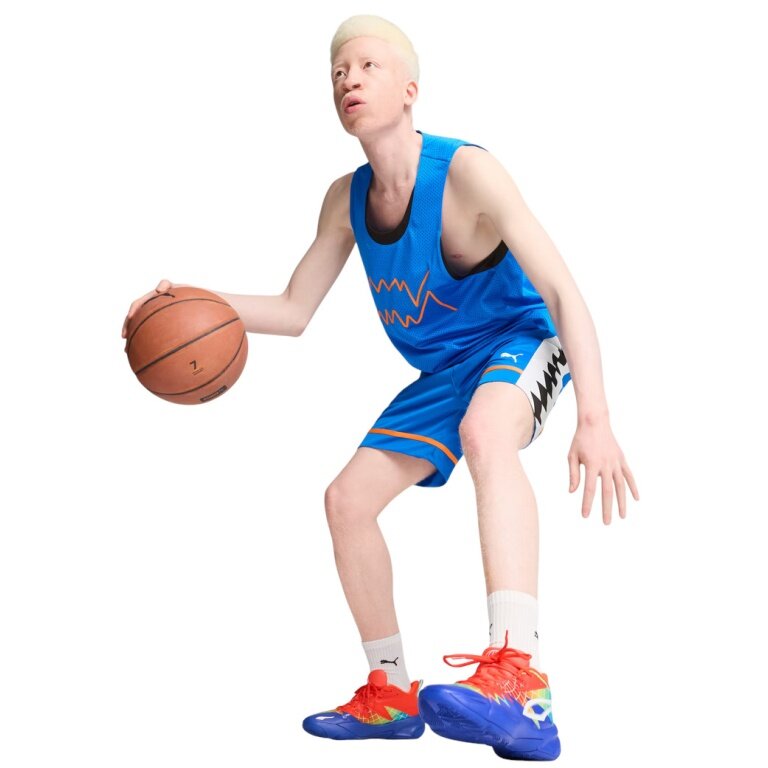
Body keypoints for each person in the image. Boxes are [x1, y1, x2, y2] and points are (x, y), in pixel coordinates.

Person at [121, 13, 640, 761]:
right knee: (346, 501)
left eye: (367, 66)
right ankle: (391, 691)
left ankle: (521, 683)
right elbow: (294, 311)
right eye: (338, 73)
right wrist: (184, 302)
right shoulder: (346, 199)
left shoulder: (466, 173)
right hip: (443, 370)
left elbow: (562, 291)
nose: (349, 80)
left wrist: (595, 415)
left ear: (410, 89)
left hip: (520, 338)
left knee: (485, 433)